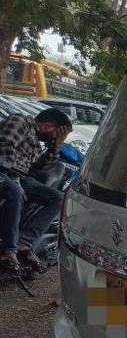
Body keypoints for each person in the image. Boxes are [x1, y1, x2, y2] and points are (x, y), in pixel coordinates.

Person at [0, 107, 71, 278]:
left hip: (21, 178)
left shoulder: (35, 140)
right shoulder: (21, 121)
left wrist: (57, 144)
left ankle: (24, 243)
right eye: (57, 132)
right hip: (4, 172)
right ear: (48, 126)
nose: (55, 136)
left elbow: (40, 166)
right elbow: (4, 145)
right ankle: (8, 252)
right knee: (16, 192)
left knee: (59, 199)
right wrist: (12, 177)